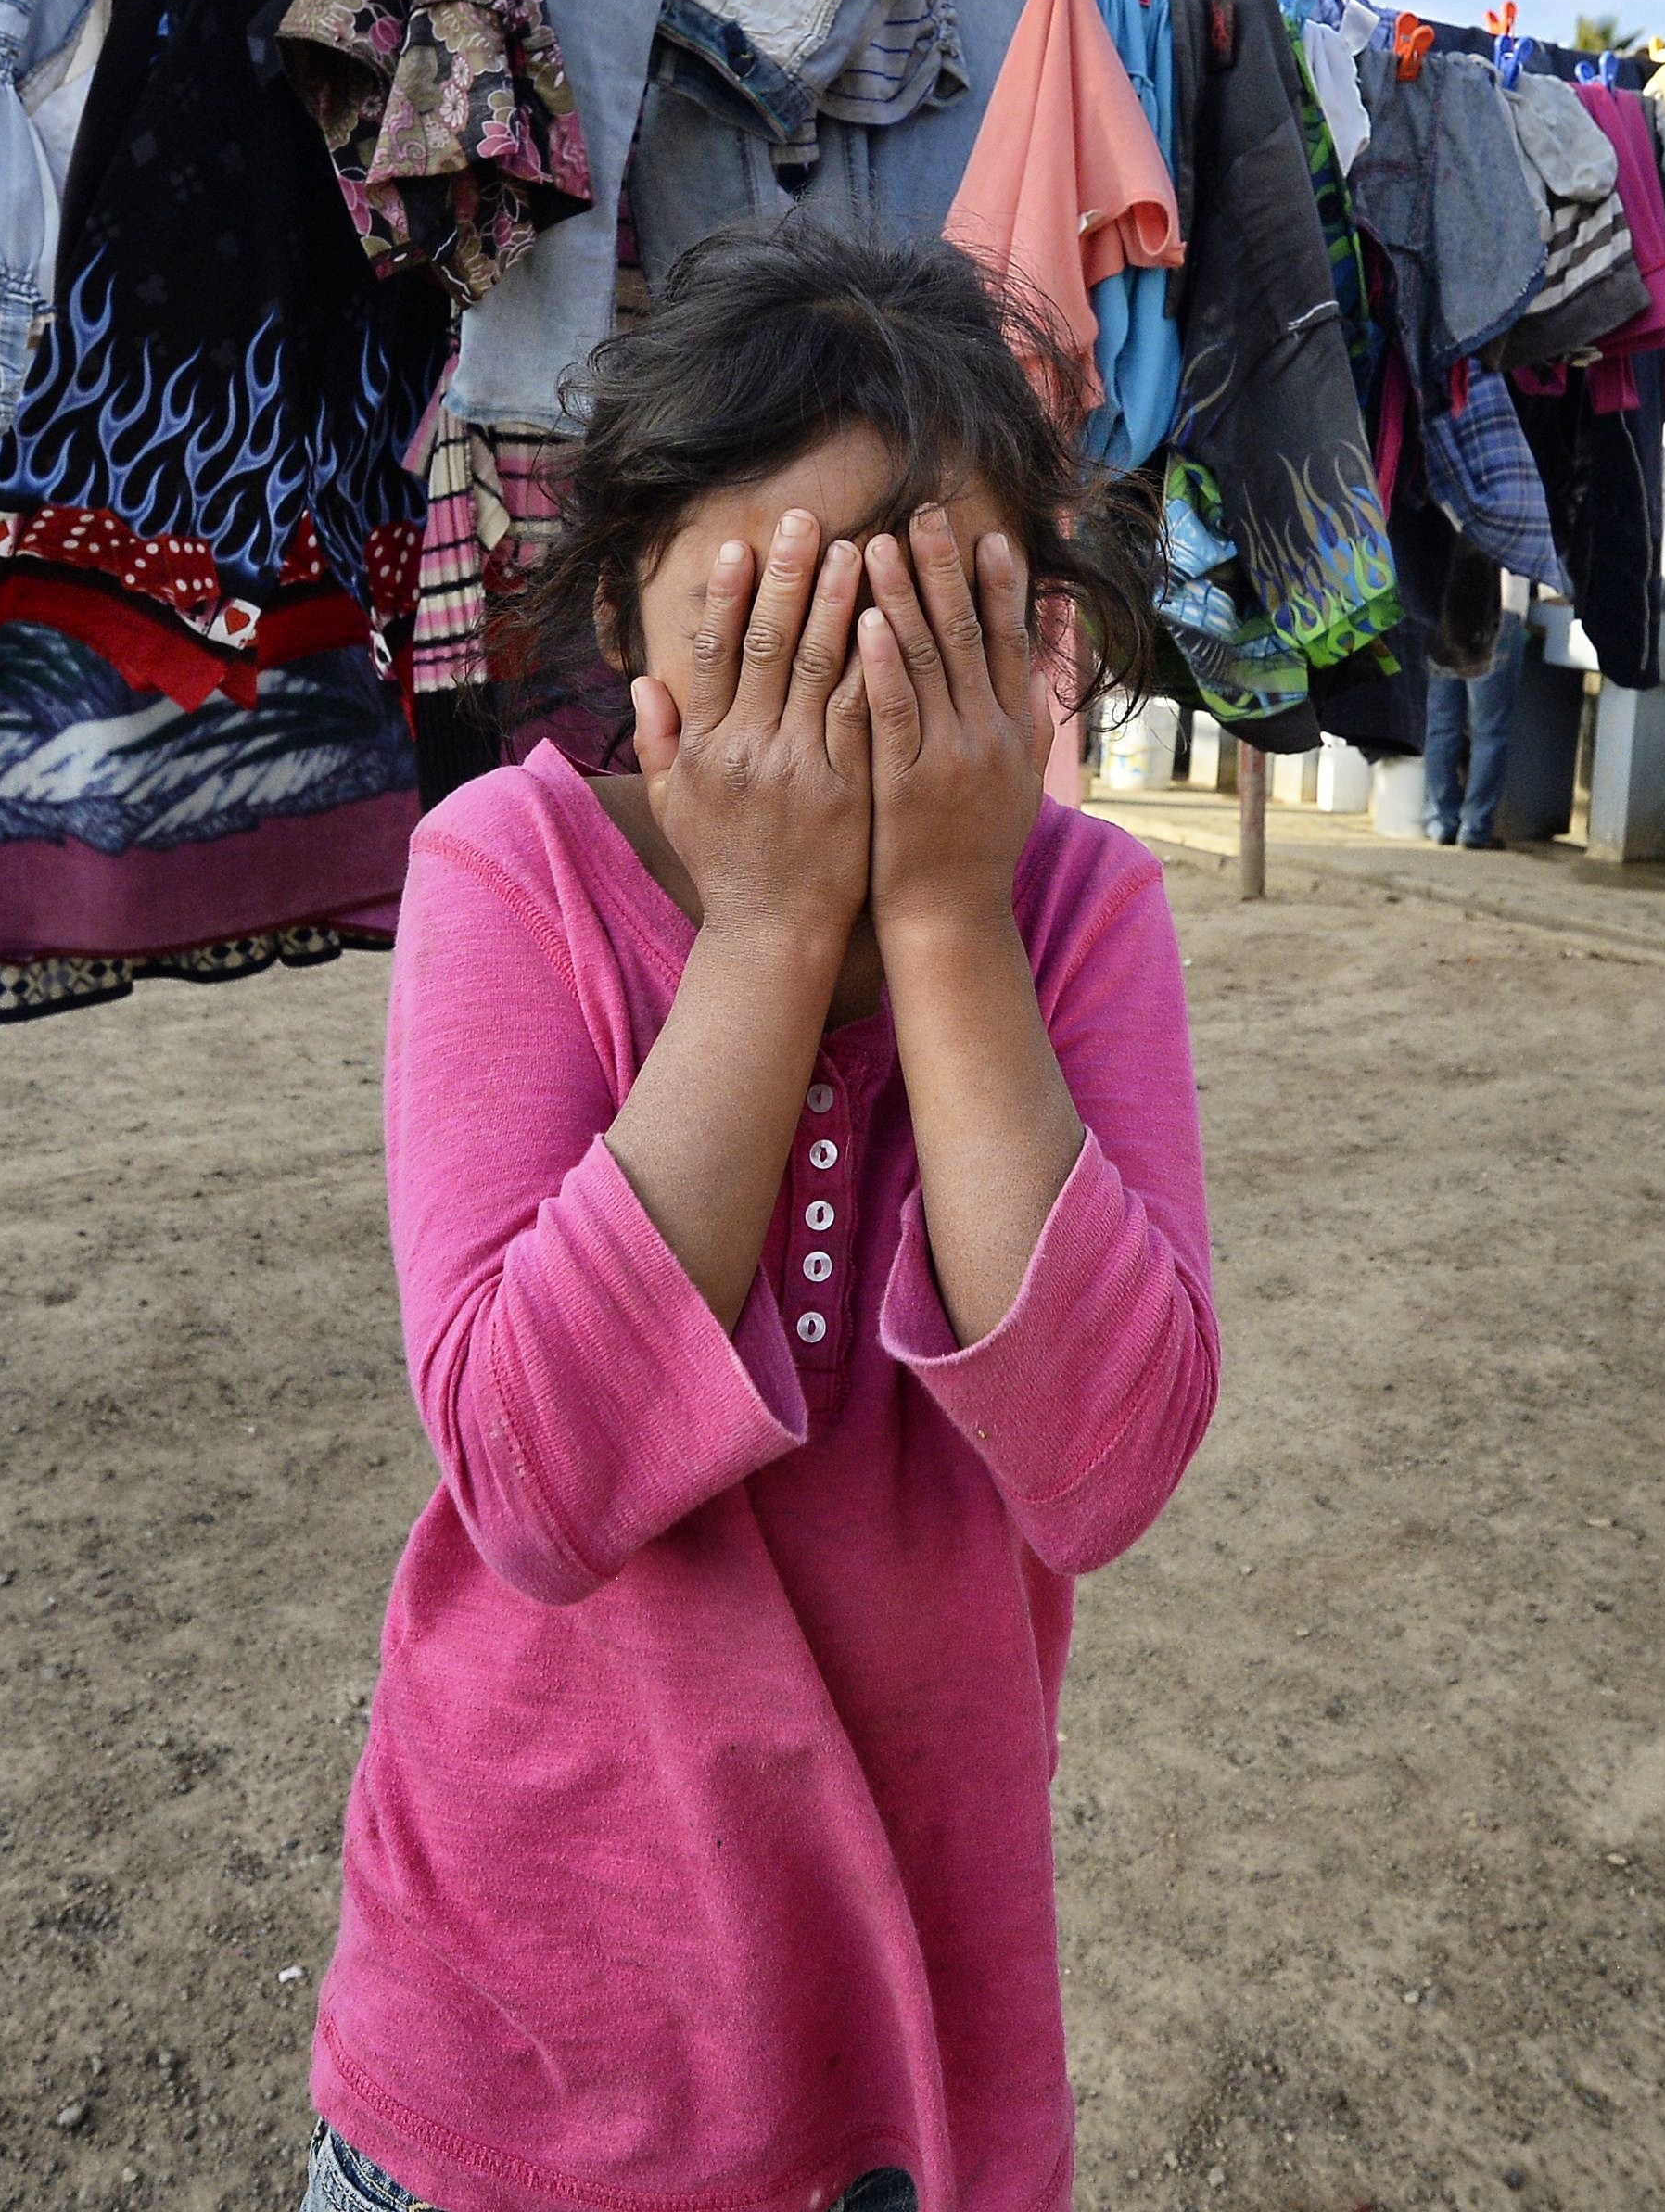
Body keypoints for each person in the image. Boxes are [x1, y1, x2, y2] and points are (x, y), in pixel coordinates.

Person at [307, 219, 1216, 2212]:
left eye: (925, 641)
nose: (845, 714)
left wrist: (945, 917)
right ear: (620, 614)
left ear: (1039, 636)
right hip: (509, 2039)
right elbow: (534, 1481)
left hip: (905, 2047)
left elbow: (1104, 1467)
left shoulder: (1079, 921)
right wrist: (780, 921)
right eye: (771, 637)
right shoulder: (508, 867)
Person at [1421, 571, 1535, 847]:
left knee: (1442, 726)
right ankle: (1475, 827)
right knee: (1489, 730)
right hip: (1498, 608)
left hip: (1444, 608)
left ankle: (1441, 822)